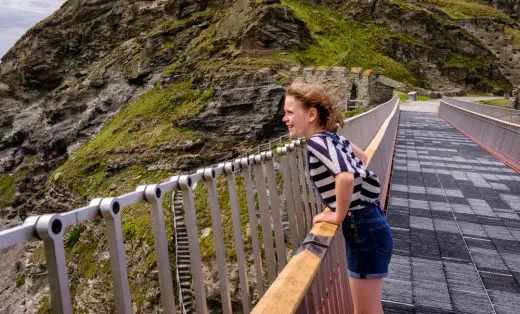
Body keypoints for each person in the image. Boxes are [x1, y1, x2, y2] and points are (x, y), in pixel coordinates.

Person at [282, 81, 393, 314]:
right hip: (370, 222)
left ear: (311, 114)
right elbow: (361, 157)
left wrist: (337, 214)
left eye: (290, 112)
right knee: (371, 307)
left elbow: (345, 177)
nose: (285, 118)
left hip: (362, 226)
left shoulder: (316, 142)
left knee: (364, 311)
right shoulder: (333, 137)